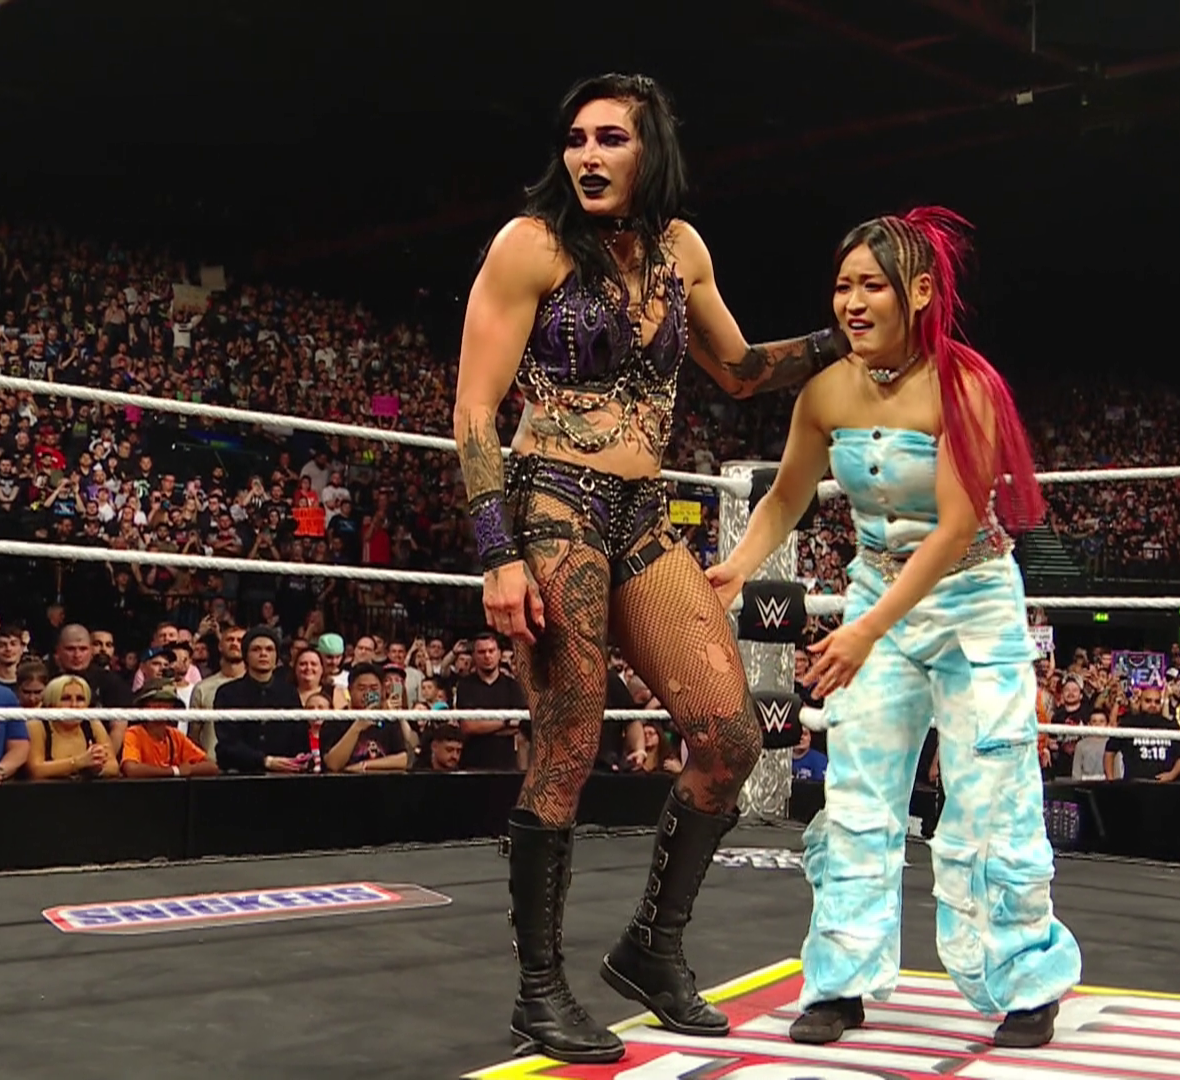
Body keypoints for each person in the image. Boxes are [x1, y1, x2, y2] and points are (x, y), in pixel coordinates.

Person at [451, 71, 852, 1064]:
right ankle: (538, 992)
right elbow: (474, 411)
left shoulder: (682, 251)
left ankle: (650, 946)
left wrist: (848, 337)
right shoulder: (530, 244)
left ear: (651, 150)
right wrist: (498, 555)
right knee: (568, 745)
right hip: (550, 503)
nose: (587, 156)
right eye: (576, 138)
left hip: (641, 511)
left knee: (730, 737)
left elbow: (740, 371)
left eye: (610, 138)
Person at [709, 207, 1080, 1049]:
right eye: (842, 285)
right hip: (879, 590)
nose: (851, 302)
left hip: (972, 599)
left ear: (917, 293)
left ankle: (1026, 981)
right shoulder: (827, 389)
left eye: (871, 285)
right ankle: (840, 982)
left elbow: (954, 528)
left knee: (992, 793)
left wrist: (865, 630)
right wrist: (738, 565)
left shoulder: (966, 388)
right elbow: (787, 496)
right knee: (857, 794)